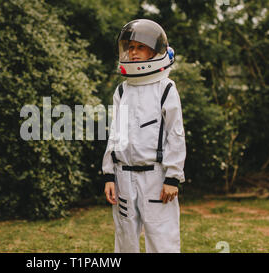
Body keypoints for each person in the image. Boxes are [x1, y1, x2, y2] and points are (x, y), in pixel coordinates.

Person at [102, 19, 186, 253]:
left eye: (140, 47)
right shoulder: (122, 90)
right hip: (123, 177)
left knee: (162, 239)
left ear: (154, 51)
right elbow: (115, 134)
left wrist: (172, 177)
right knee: (125, 239)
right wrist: (109, 175)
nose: (133, 52)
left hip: (156, 177)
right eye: (130, 47)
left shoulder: (165, 88)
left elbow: (175, 134)